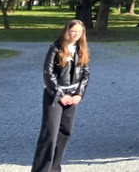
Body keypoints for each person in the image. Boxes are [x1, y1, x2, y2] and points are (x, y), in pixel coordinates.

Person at [31, 20, 90, 172]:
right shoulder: (55, 48)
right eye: (73, 31)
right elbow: (48, 73)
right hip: (55, 95)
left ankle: (55, 168)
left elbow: (85, 74)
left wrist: (79, 94)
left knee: (65, 132)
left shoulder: (82, 49)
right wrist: (60, 94)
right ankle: (42, 169)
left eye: (79, 31)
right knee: (50, 132)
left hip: (72, 95)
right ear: (66, 31)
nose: (75, 34)